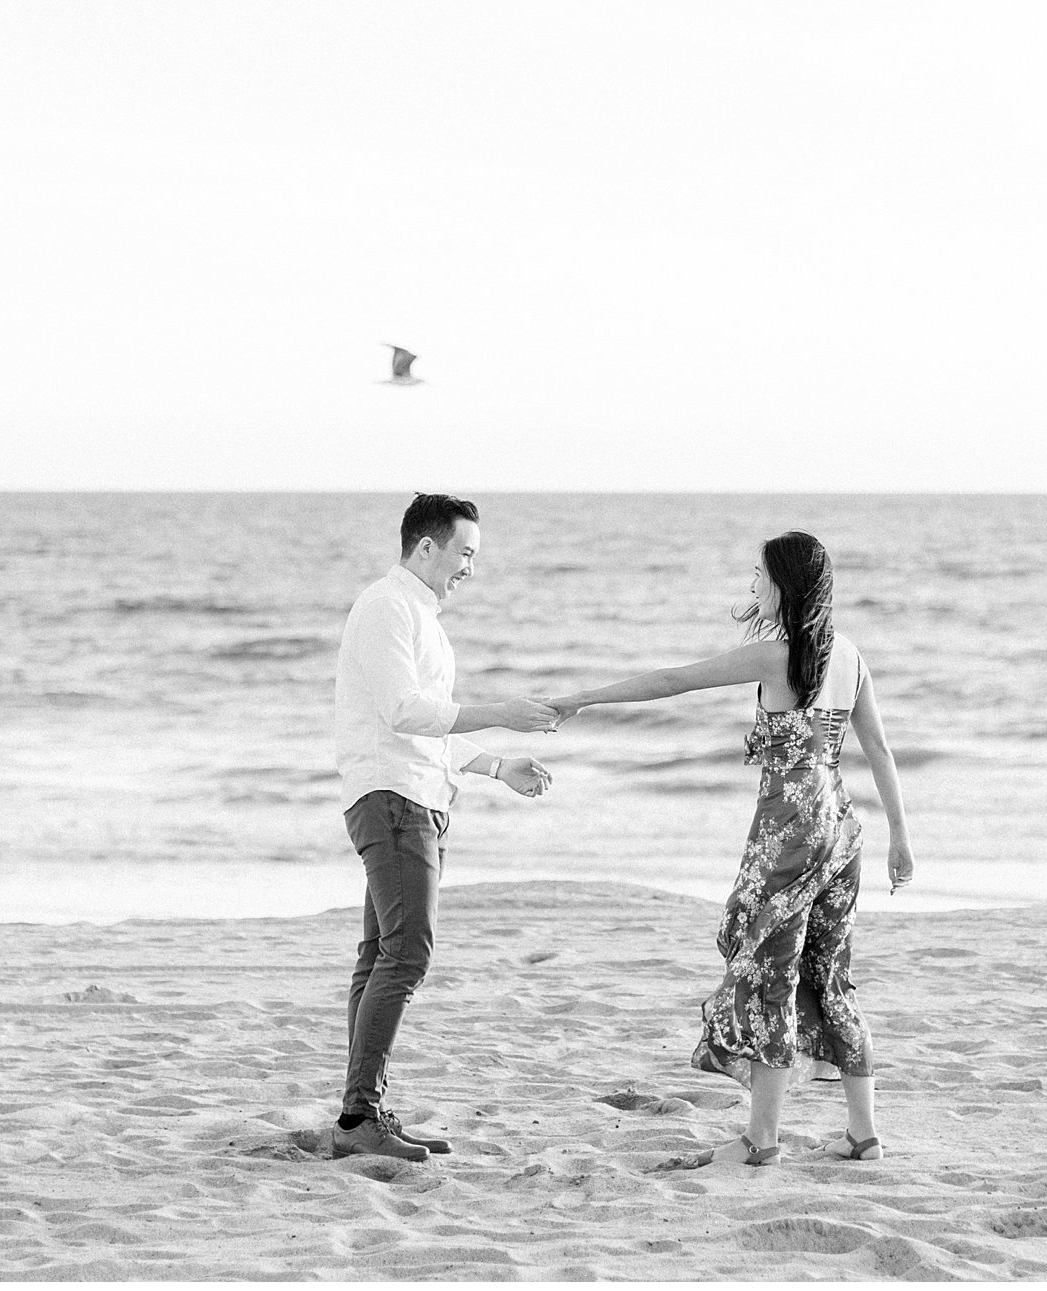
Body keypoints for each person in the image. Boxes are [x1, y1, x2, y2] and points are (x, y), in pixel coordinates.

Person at [548, 530, 913, 1166]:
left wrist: (582, 698)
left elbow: (674, 680)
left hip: (788, 835)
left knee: (771, 979)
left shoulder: (776, 655)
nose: (751, 584)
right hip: (842, 830)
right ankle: (864, 1134)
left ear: (785, 585)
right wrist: (901, 838)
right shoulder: (849, 654)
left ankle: (762, 1140)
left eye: (759, 575)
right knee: (833, 978)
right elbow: (878, 749)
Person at [332, 493, 560, 1162]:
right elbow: (405, 710)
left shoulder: (417, 615)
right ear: (425, 546)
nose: (470, 568)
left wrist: (495, 764)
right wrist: (498, 712)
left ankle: (361, 1109)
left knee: (381, 955)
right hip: (394, 799)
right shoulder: (386, 606)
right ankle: (359, 1114)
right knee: (408, 953)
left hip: (417, 795)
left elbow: (427, 728)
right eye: (464, 552)